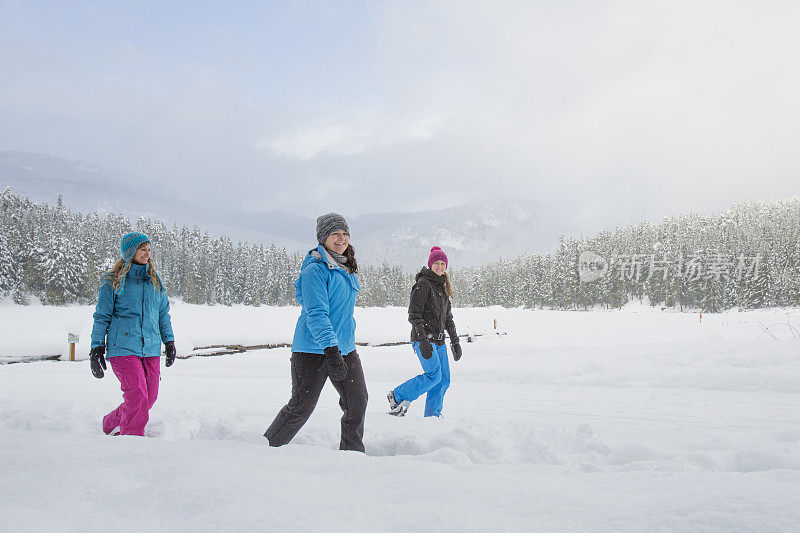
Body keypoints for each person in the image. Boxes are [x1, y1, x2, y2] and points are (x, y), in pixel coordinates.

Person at [264, 213, 368, 452]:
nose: (341, 239)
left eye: (345, 234)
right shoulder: (315, 270)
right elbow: (317, 313)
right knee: (302, 406)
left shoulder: (347, 268)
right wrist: (330, 350)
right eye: (335, 234)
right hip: (312, 349)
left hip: (344, 347)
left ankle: (352, 455)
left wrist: (340, 347)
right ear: (323, 238)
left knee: (357, 401)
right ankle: (266, 449)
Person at [89, 232, 176, 437]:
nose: (147, 254)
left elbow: (163, 314)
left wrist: (169, 341)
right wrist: (96, 348)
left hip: (151, 347)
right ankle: (131, 442)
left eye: (148, 250)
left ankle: (110, 421)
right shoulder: (113, 281)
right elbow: (101, 317)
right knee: (137, 397)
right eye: (142, 249)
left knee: (149, 398)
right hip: (123, 347)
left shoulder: (154, 281)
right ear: (130, 251)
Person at [388, 246, 462, 417]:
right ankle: (397, 396)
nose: (440, 266)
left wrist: (455, 341)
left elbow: (448, 319)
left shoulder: (442, 287)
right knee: (433, 376)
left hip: (439, 341)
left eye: (443, 263)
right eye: (436, 263)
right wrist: (422, 340)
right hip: (424, 340)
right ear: (430, 264)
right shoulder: (423, 285)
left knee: (443, 379)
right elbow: (414, 315)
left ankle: (432, 416)